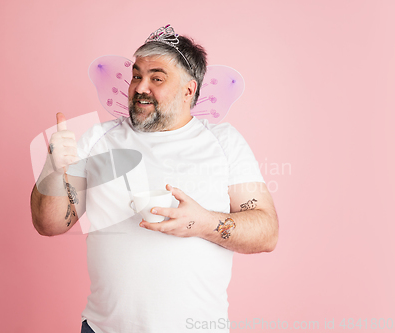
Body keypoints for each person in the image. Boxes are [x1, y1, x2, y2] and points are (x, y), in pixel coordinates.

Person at [30, 25, 278, 333]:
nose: (140, 87)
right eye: (137, 75)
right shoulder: (96, 138)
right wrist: (53, 170)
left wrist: (203, 223)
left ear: (189, 89)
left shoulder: (224, 141)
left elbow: (267, 232)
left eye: (156, 78)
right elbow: (49, 225)